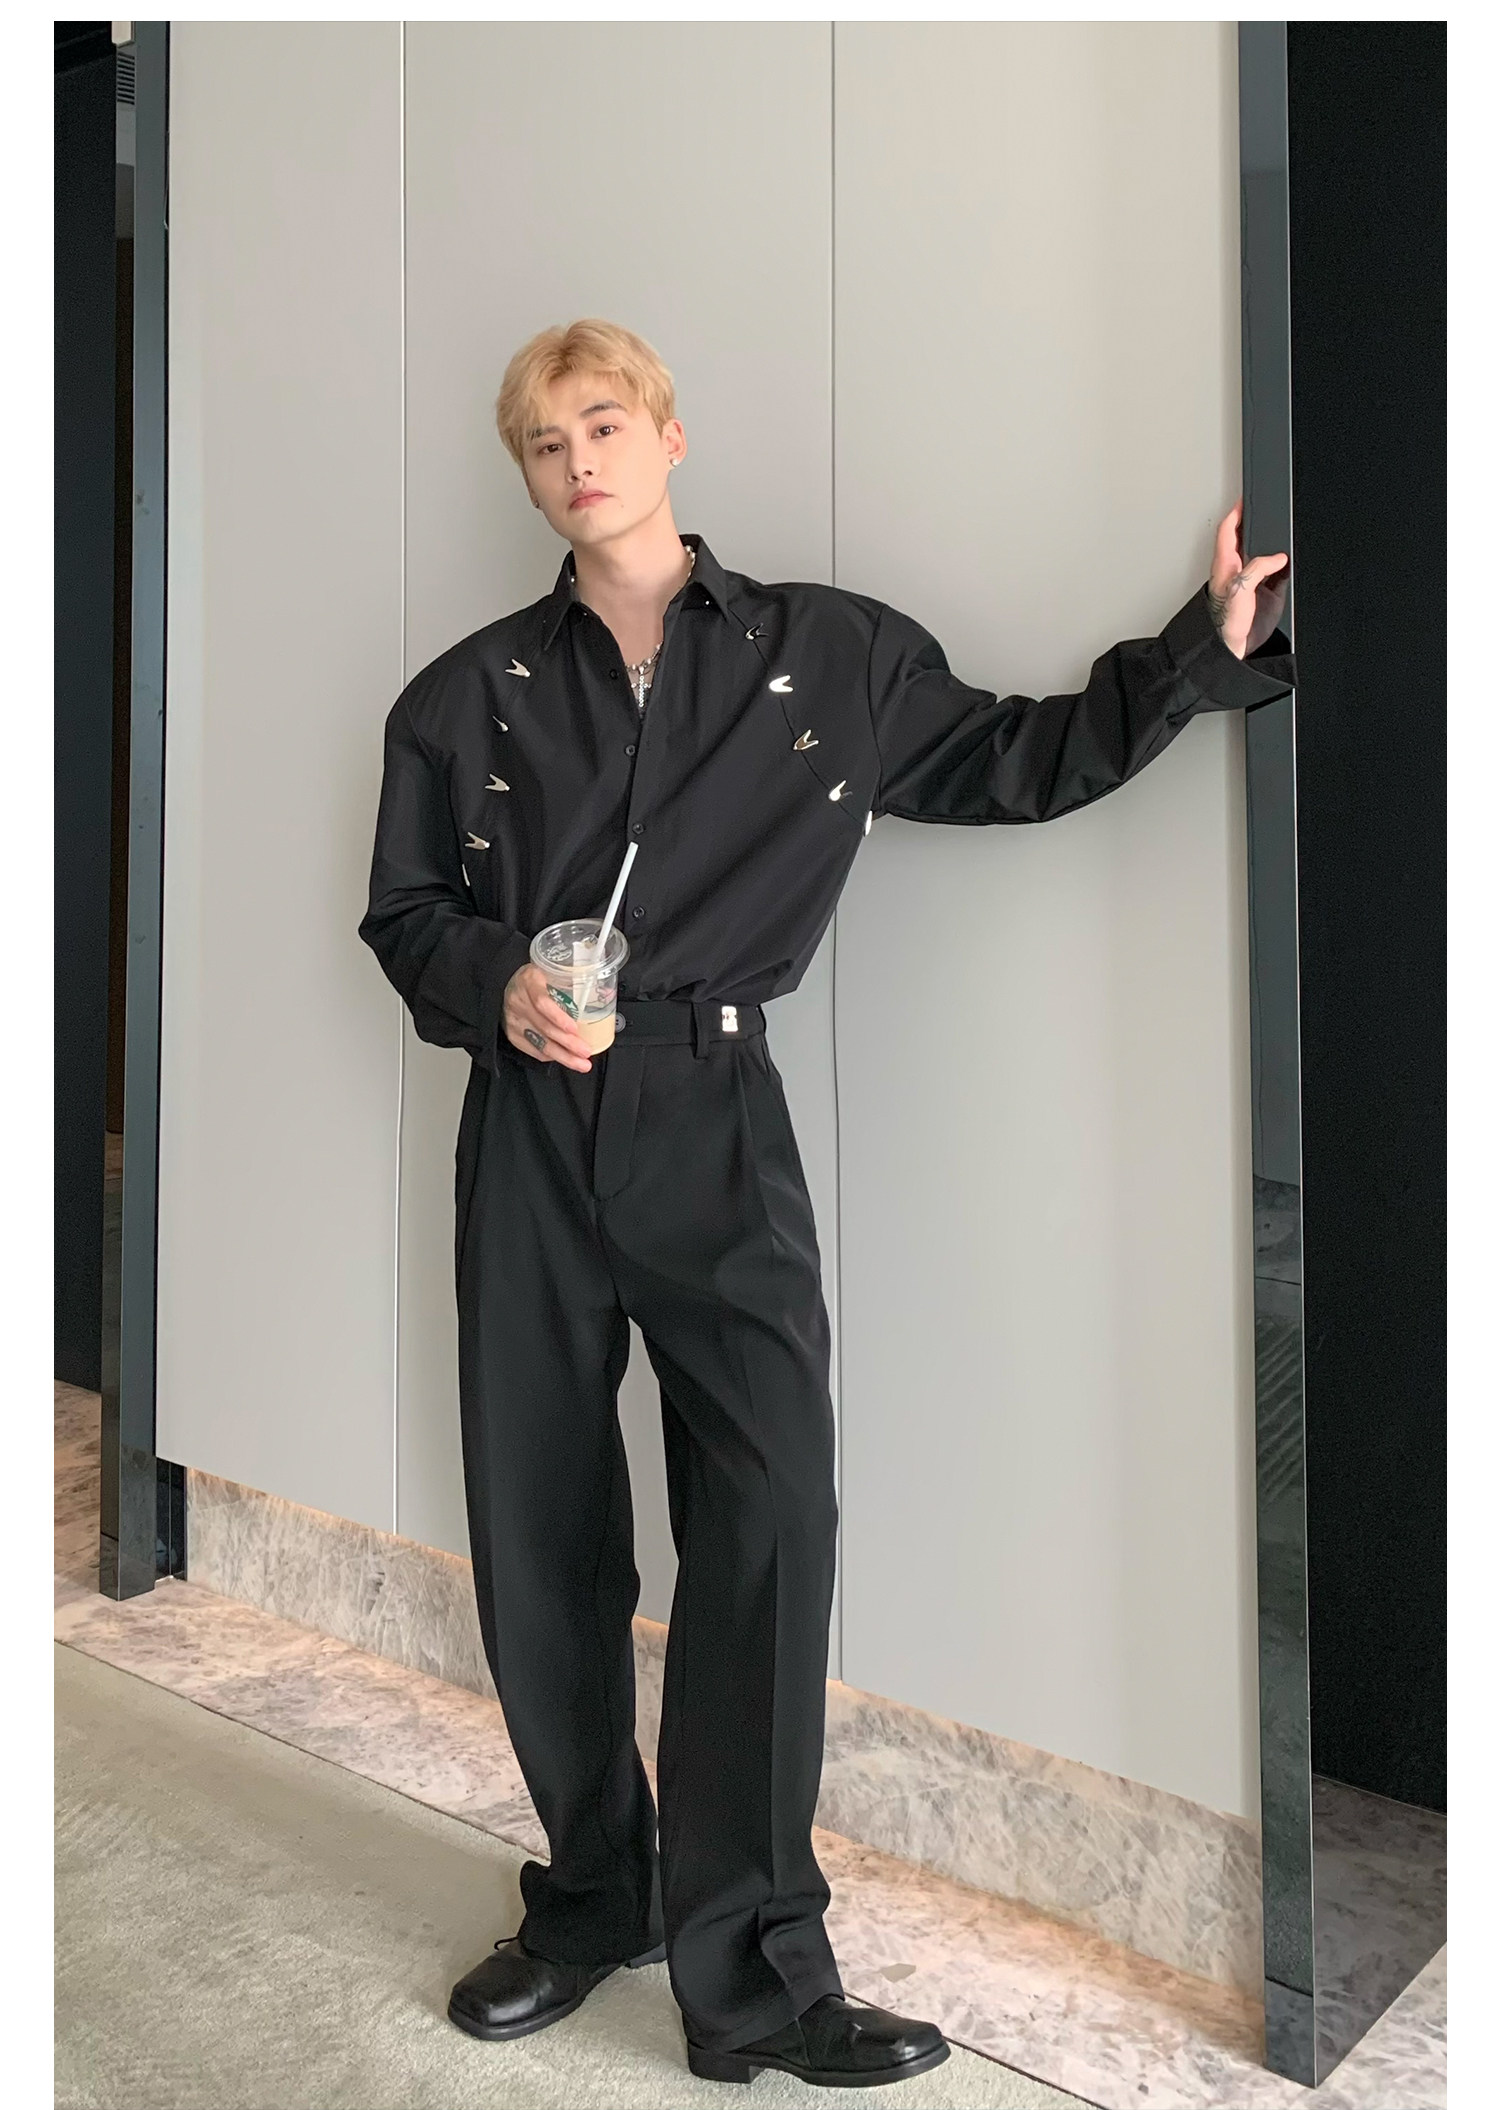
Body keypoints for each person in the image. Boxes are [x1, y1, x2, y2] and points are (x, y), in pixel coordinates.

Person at [357, 318, 1294, 2090]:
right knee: (541, 1518)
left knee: (771, 1516)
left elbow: (1021, 759)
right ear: (529, 478)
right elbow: (403, 916)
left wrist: (1201, 646)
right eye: (546, 444)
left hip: (717, 1114)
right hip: (533, 1126)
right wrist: (496, 988)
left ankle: (759, 1971)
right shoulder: (464, 695)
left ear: (671, 436)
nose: (579, 462)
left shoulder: (828, 655)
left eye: (604, 423)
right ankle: (592, 1898)